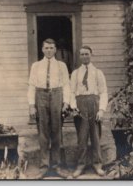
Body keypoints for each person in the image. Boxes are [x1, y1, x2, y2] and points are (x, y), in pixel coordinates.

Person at [27, 38, 70, 178]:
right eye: (46, 48)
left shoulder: (62, 65)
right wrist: (31, 105)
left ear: (55, 49)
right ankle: (44, 166)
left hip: (57, 95)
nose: (49, 50)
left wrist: (66, 103)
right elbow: (32, 86)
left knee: (56, 131)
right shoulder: (36, 66)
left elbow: (66, 85)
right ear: (42, 49)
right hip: (41, 96)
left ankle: (56, 166)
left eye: (51, 48)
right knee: (43, 132)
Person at [70, 46, 108, 178]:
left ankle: (97, 164)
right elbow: (72, 92)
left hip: (94, 104)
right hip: (80, 105)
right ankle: (81, 165)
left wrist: (102, 110)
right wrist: (74, 107)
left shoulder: (98, 73)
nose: (84, 56)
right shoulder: (75, 73)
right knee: (82, 137)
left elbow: (103, 92)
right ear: (79, 56)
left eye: (87, 54)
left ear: (91, 55)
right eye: (82, 54)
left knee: (95, 137)